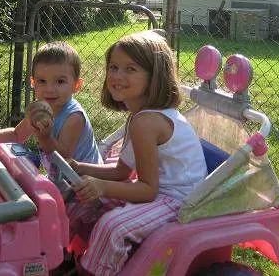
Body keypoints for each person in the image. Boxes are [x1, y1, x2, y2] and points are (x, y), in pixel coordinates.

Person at [67, 31, 207, 276]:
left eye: (130, 69)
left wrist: (101, 186)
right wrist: (80, 167)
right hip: (158, 193)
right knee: (86, 206)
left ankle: (96, 271)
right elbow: (122, 172)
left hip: (180, 202)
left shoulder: (147, 122)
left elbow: (147, 190)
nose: (117, 76)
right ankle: (77, 258)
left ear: (154, 77)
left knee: (113, 226)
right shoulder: (139, 117)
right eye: (113, 67)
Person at [0, 42, 102, 169]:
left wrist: (45, 137)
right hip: (62, 180)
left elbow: (64, 157)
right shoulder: (38, 111)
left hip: (87, 184)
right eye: (42, 81)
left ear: (76, 85)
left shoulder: (74, 117)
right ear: (33, 83)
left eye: (60, 81)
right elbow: (16, 135)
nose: (49, 89)